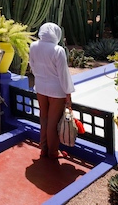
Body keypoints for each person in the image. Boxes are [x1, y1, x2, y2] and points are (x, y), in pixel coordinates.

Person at [28, 22, 75, 159]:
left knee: (44, 118)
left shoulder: (33, 46)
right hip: (56, 91)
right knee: (53, 122)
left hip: (40, 87)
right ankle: (53, 152)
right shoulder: (58, 50)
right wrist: (68, 95)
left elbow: (33, 67)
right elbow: (63, 75)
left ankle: (43, 148)